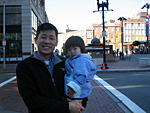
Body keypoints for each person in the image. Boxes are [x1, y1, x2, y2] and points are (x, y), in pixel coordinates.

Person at [16, 23, 84, 113]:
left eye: (51, 38)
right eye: (43, 37)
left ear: (56, 42)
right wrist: (66, 106)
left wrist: (80, 104)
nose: (47, 41)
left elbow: (82, 85)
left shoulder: (66, 63)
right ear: (36, 40)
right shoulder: (25, 67)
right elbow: (31, 100)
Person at [64, 36, 97, 108]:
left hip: (77, 93)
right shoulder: (73, 59)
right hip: (76, 93)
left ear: (81, 49)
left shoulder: (81, 60)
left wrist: (72, 88)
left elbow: (81, 76)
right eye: (69, 50)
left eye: (75, 49)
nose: (72, 52)